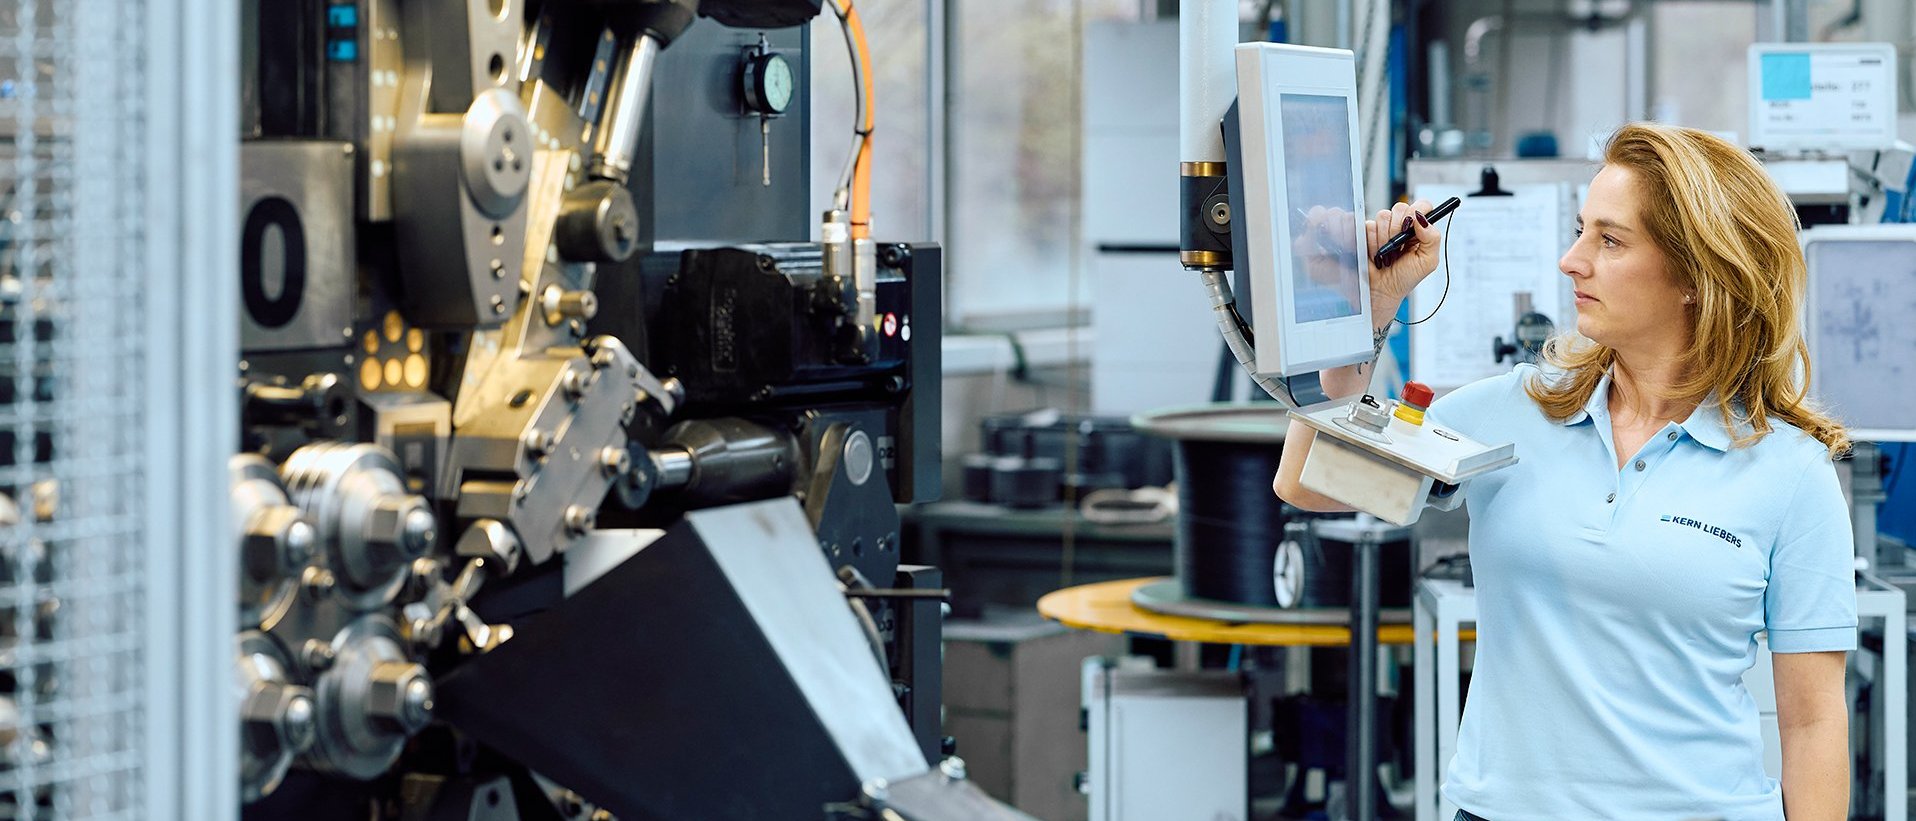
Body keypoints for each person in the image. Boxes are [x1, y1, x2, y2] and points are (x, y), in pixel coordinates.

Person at [1273, 122, 1856, 820]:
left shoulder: (1790, 471)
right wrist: (1367, 308)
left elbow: (1814, 723)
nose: (1570, 260)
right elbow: (1308, 478)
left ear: (1698, 275)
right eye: (1582, 230)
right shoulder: (1515, 410)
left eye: (1609, 240)